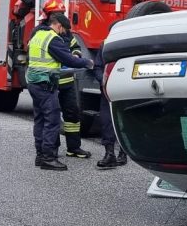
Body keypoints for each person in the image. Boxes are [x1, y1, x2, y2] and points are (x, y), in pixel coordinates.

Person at [26, 12, 93, 170]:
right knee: (52, 120)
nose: (64, 33)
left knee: (41, 119)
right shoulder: (52, 38)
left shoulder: (37, 36)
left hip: (35, 82)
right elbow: (68, 59)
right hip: (46, 84)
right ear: (58, 25)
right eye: (63, 29)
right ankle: (48, 157)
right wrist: (87, 63)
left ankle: (40, 155)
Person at [93, 41, 127, 169]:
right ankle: (110, 153)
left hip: (125, 88)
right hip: (108, 89)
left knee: (123, 120)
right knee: (107, 120)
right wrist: (103, 80)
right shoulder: (105, 45)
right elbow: (97, 67)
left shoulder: (128, 44)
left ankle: (123, 152)